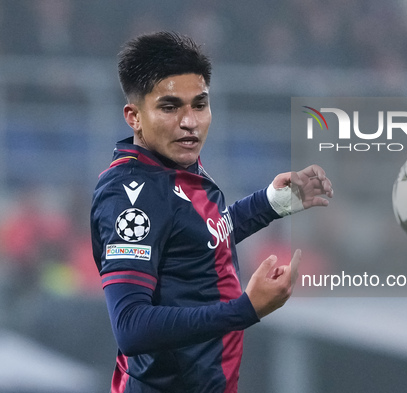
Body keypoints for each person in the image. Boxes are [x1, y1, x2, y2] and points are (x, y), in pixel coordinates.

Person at [90, 31, 333, 393]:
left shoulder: (175, 165)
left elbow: (195, 238)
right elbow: (131, 326)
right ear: (134, 117)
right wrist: (246, 309)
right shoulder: (132, 195)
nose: (190, 122)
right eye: (170, 107)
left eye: (199, 105)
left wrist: (269, 204)